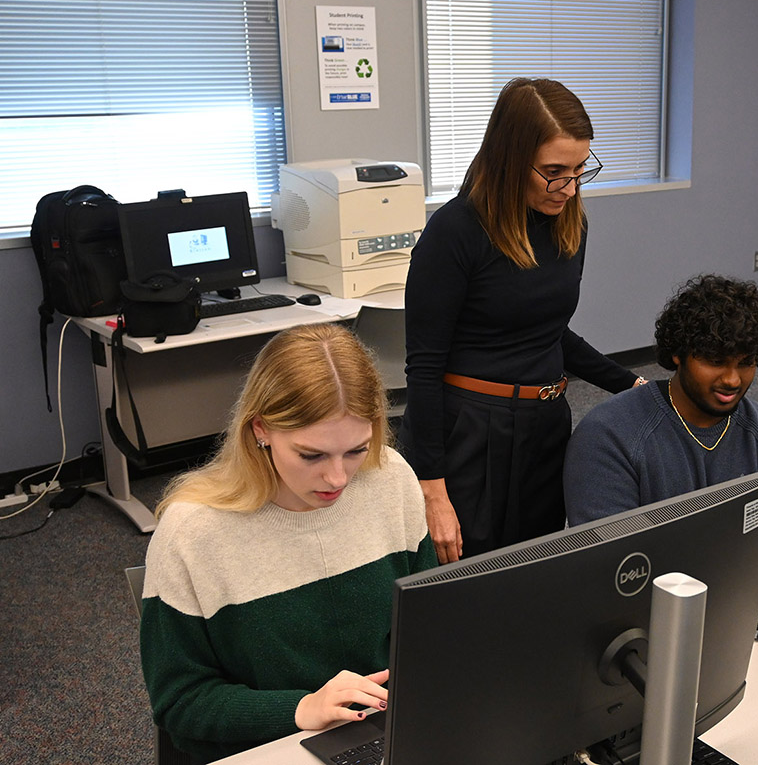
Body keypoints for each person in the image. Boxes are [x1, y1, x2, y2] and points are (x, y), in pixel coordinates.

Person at [139, 324, 437, 763]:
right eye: (311, 455)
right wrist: (302, 708)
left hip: (381, 731)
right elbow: (179, 701)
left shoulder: (390, 479)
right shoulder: (192, 532)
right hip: (269, 747)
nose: (337, 478)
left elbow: (426, 628)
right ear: (261, 430)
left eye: (356, 449)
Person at [403, 77, 644, 564]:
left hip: (545, 423)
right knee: (467, 580)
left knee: (535, 571)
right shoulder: (455, 231)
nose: (570, 187)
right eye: (554, 171)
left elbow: (549, 332)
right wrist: (432, 490)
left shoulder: (568, 221)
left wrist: (633, 385)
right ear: (511, 158)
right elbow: (423, 368)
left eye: (580, 170)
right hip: (470, 433)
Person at [564, 274, 758, 564]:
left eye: (746, 363)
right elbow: (612, 567)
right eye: (715, 362)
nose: (732, 379)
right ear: (679, 354)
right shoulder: (608, 436)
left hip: (748, 602)